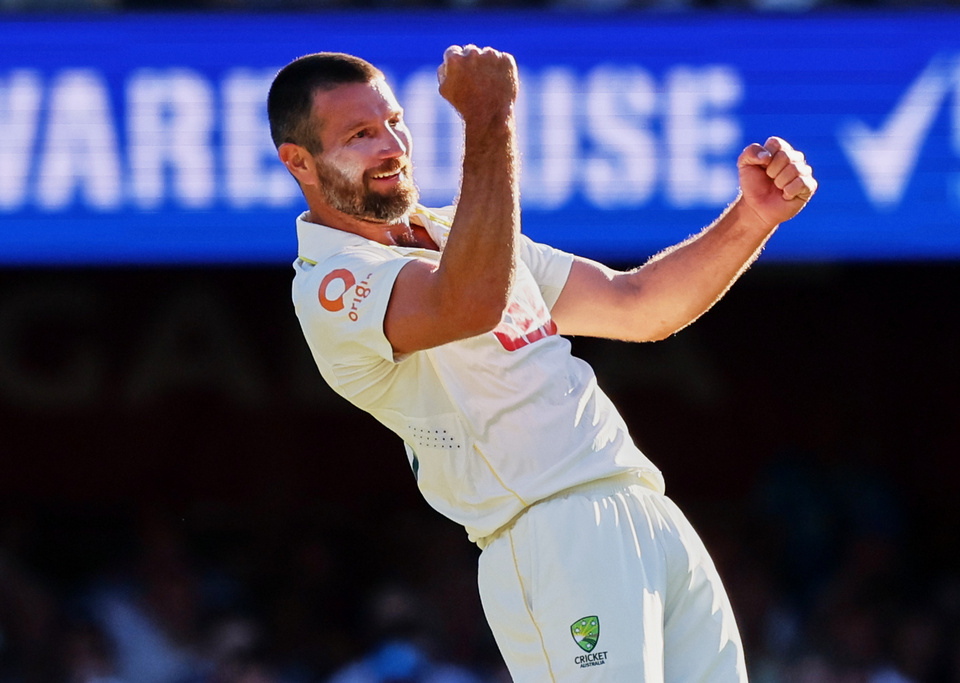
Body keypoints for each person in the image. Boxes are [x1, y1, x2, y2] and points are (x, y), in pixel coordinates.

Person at [267, 45, 816, 683]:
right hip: (548, 534)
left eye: (393, 122)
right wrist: (490, 118)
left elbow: (637, 306)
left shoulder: (454, 231)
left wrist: (753, 217)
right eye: (360, 135)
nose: (392, 145)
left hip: (642, 504)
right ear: (297, 161)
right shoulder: (330, 283)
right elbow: (467, 303)